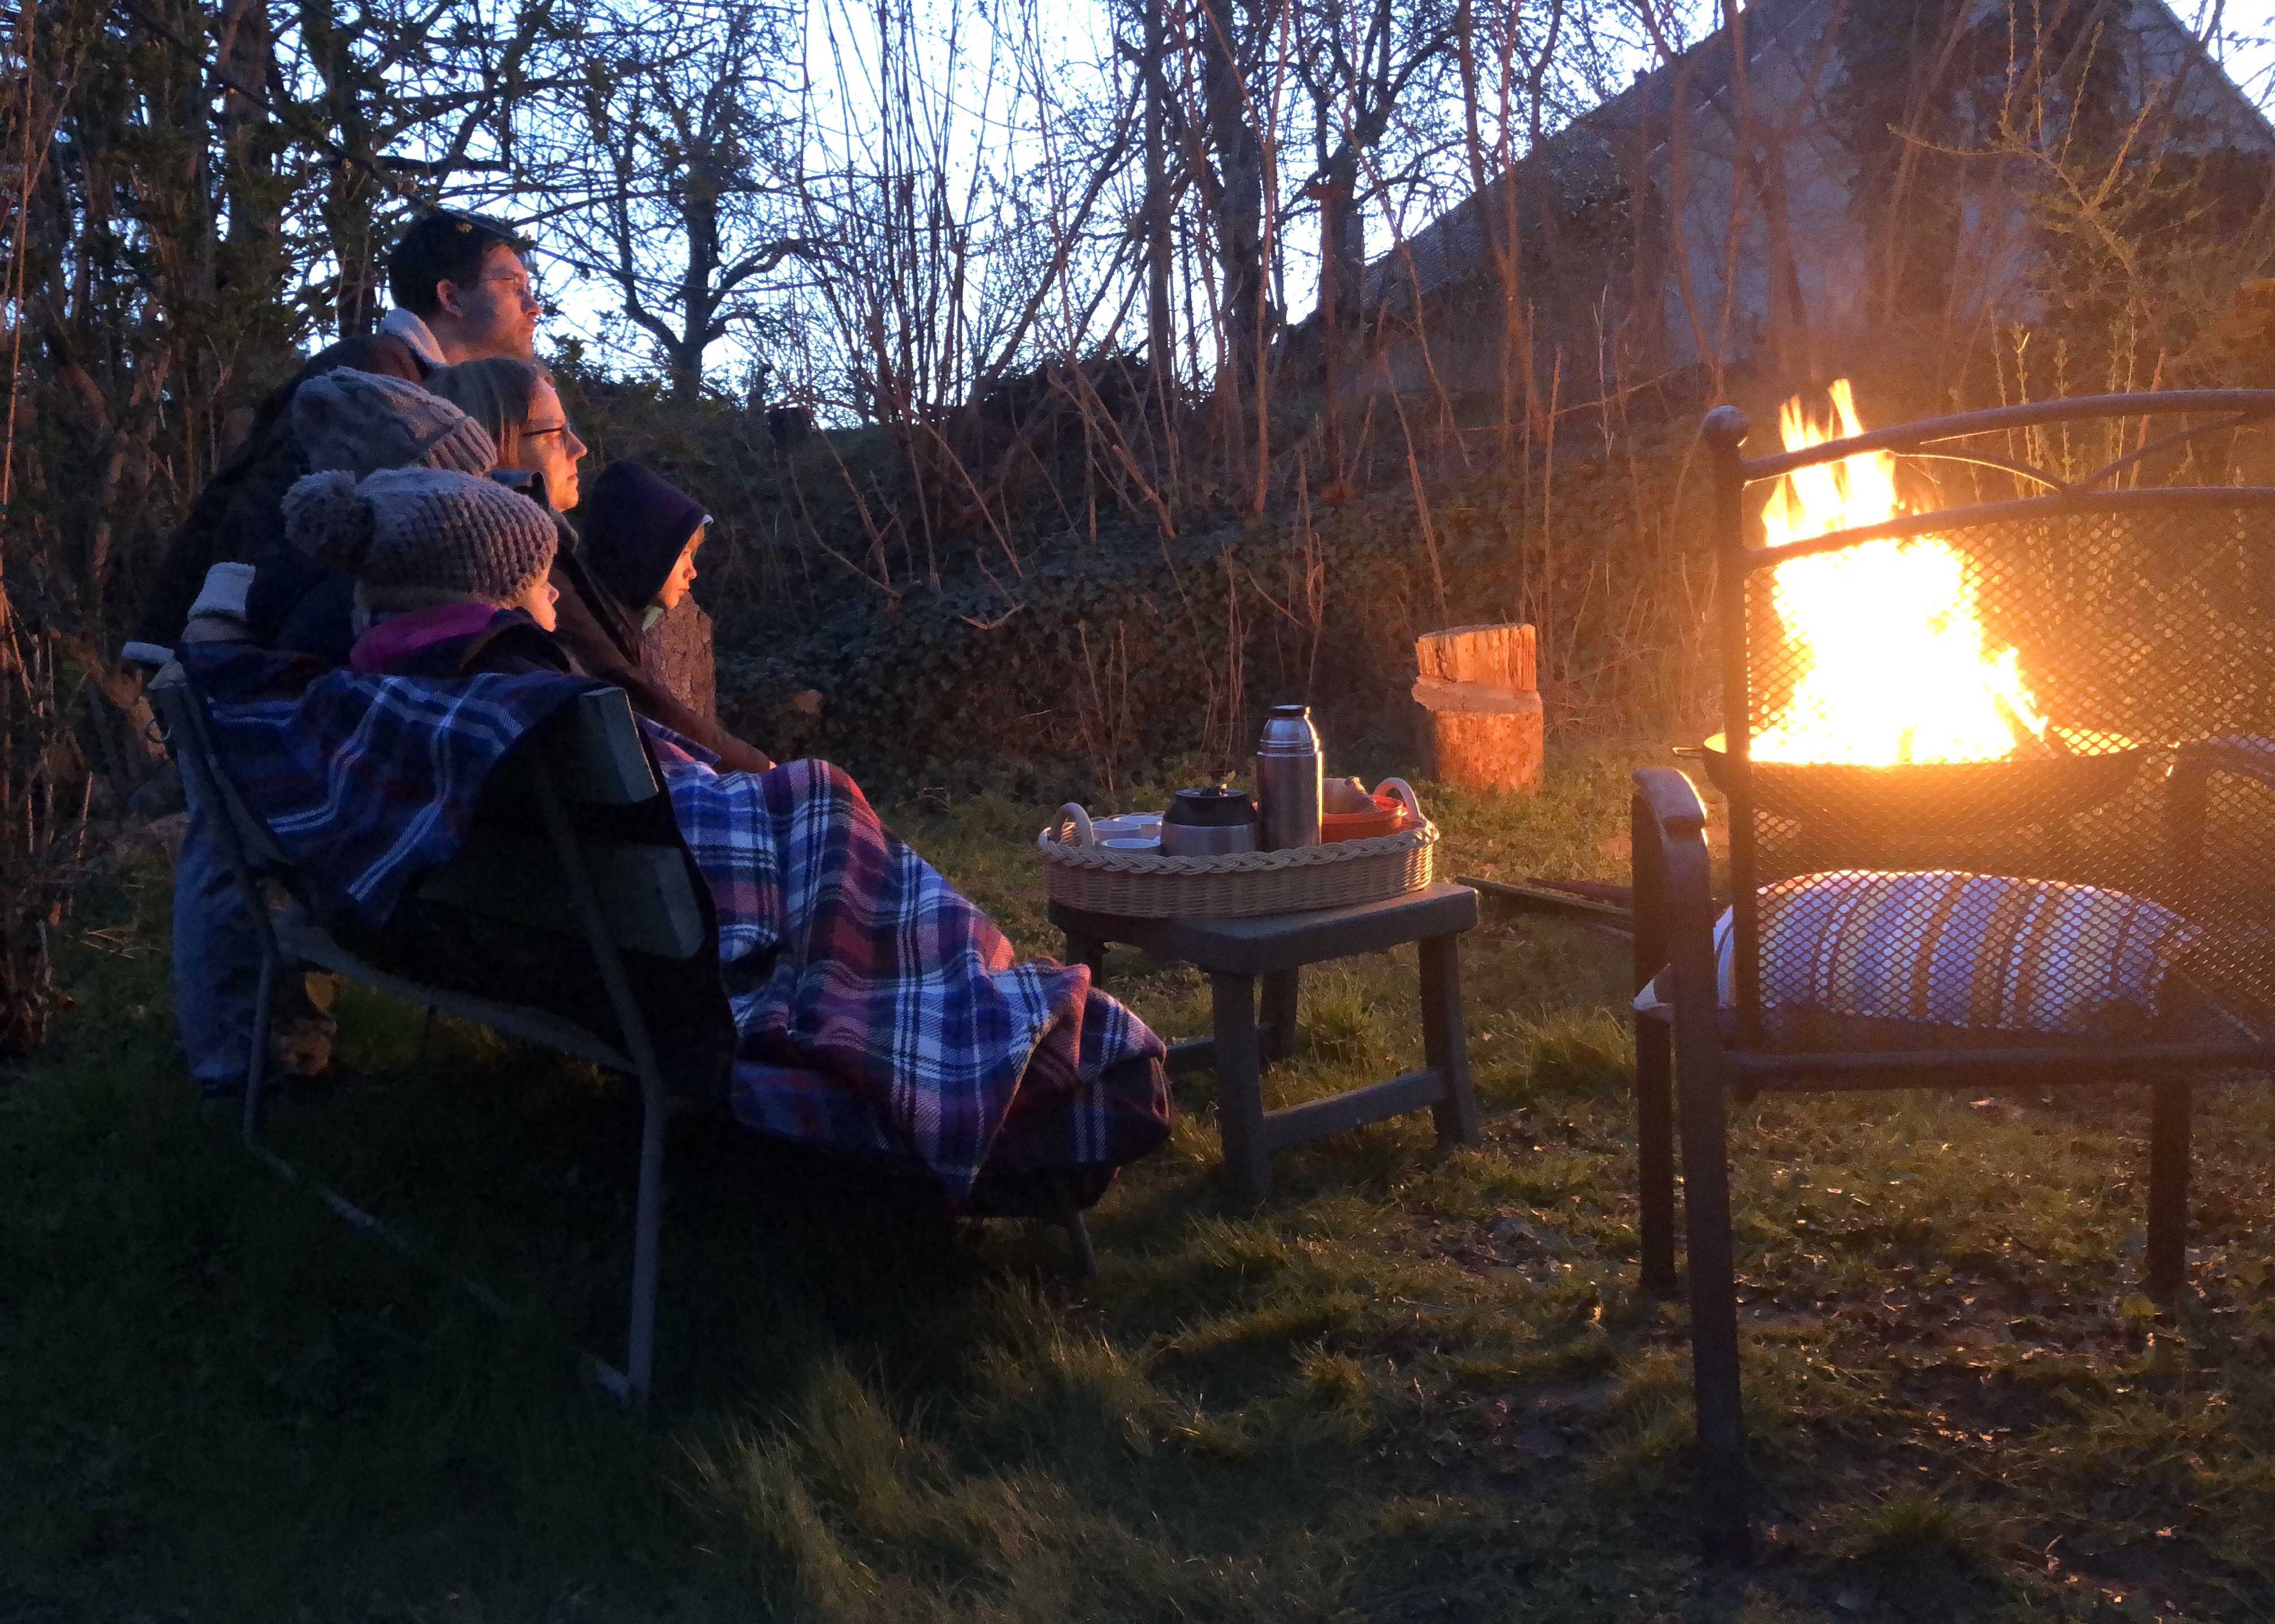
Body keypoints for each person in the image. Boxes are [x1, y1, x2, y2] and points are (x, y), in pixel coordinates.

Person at [254, 466, 1171, 1208]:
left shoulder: (369, 702)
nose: (553, 604)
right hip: (667, 962)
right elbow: (705, 823)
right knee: (821, 801)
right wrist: (797, 799)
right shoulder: (529, 708)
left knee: (806, 804)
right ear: (497, 589)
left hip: (544, 940)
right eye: (541, 582)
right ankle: (970, 1001)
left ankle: (950, 977)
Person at [164, 371, 502, 1097]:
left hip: (270, 826)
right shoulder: (353, 613)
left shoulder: (280, 576)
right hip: (331, 847)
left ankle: (242, 1064)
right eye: (464, 487)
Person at [128, 209, 541, 664]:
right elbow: (268, 497)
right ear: (451, 297)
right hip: (249, 664)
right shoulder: (374, 376)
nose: (533, 305)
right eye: (513, 287)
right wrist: (217, 633)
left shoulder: (419, 383)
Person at [425, 358, 774, 773]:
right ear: (491, 441)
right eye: (556, 434)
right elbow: (627, 695)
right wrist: (762, 768)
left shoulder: (549, 554)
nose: (580, 448)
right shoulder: (525, 569)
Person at [579, 460, 708, 627]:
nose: (692, 572)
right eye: (683, 554)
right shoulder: (592, 638)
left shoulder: (612, 626)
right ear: (643, 550)